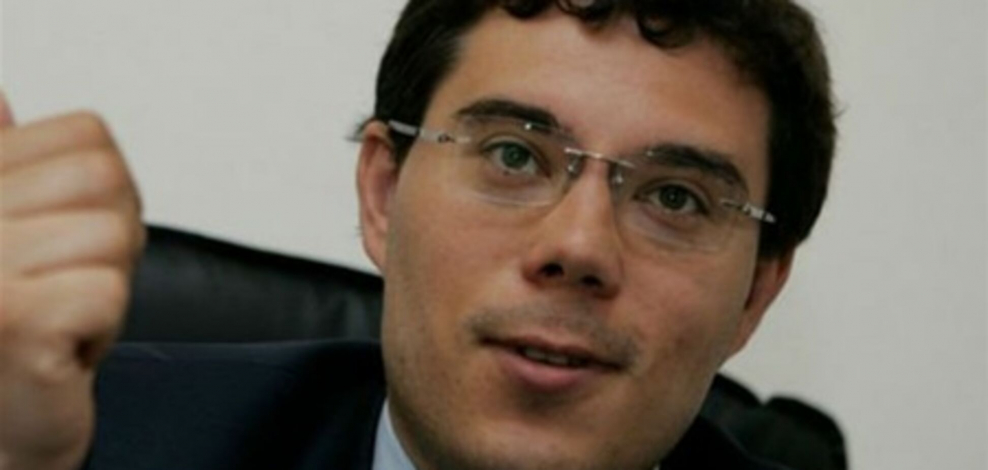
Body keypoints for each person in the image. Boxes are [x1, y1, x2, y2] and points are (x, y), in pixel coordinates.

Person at [0, 0, 836, 469]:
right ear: (383, 194)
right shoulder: (86, 440)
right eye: (514, 155)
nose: (579, 246)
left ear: (756, 293)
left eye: (677, 198)